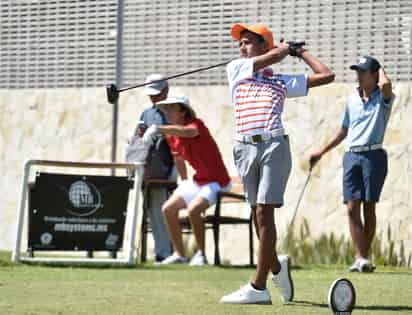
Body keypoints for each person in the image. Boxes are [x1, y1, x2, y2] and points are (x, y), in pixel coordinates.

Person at [220, 24, 335, 304]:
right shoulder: (236, 70)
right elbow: (270, 59)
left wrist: (299, 51)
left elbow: (327, 75)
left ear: (264, 45)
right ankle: (276, 267)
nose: (242, 47)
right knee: (258, 217)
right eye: (241, 43)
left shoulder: (279, 81)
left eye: (248, 42)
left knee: (264, 212)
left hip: (274, 145)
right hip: (244, 147)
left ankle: (258, 288)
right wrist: (281, 51)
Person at [309, 56, 394, 272]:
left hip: (373, 156)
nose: (358, 74)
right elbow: (343, 131)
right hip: (351, 156)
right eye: (357, 71)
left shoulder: (384, 98)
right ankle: (360, 258)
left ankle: (363, 257)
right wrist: (321, 151)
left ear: (374, 75)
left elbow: (386, 85)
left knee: (369, 206)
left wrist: (379, 68)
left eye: (363, 71)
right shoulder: (351, 100)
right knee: (351, 207)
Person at [142, 94, 231, 266]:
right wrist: (183, 181)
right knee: (168, 208)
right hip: (198, 181)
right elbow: (179, 158)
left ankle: (201, 255)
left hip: (218, 182)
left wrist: (159, 129)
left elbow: (189, 132)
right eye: (165, 109)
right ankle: (180, 255)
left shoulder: (197, 125)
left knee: (193, 210)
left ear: (183, 111)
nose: (166, 112)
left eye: (171, 108)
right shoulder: (171, 135)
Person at [137, 74, 174, 262]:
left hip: (168, 170)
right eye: (151, 94)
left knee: (163, 210)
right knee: (152, 211)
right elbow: (139, 136)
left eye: (157, 93)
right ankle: (160, 252)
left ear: (166, 90)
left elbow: (178, 142)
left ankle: (168, 251)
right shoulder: (146, 113)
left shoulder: (173, 111)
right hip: (150, 170)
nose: (154, 98)